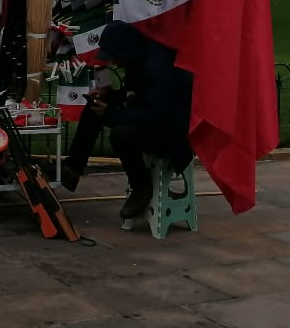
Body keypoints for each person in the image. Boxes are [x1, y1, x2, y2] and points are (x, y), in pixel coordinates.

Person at [60, 20, 193, 220]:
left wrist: (111, 113)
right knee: (94, 107)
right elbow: (134, 95)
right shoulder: (139, 57)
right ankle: (73, 168)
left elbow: (155, 115)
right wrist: (110, 96)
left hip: (173, 131)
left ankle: (142, 187)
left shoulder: (157, 67)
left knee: (121, 134)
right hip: (152, 115)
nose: (114, 63)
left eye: (115, 58)